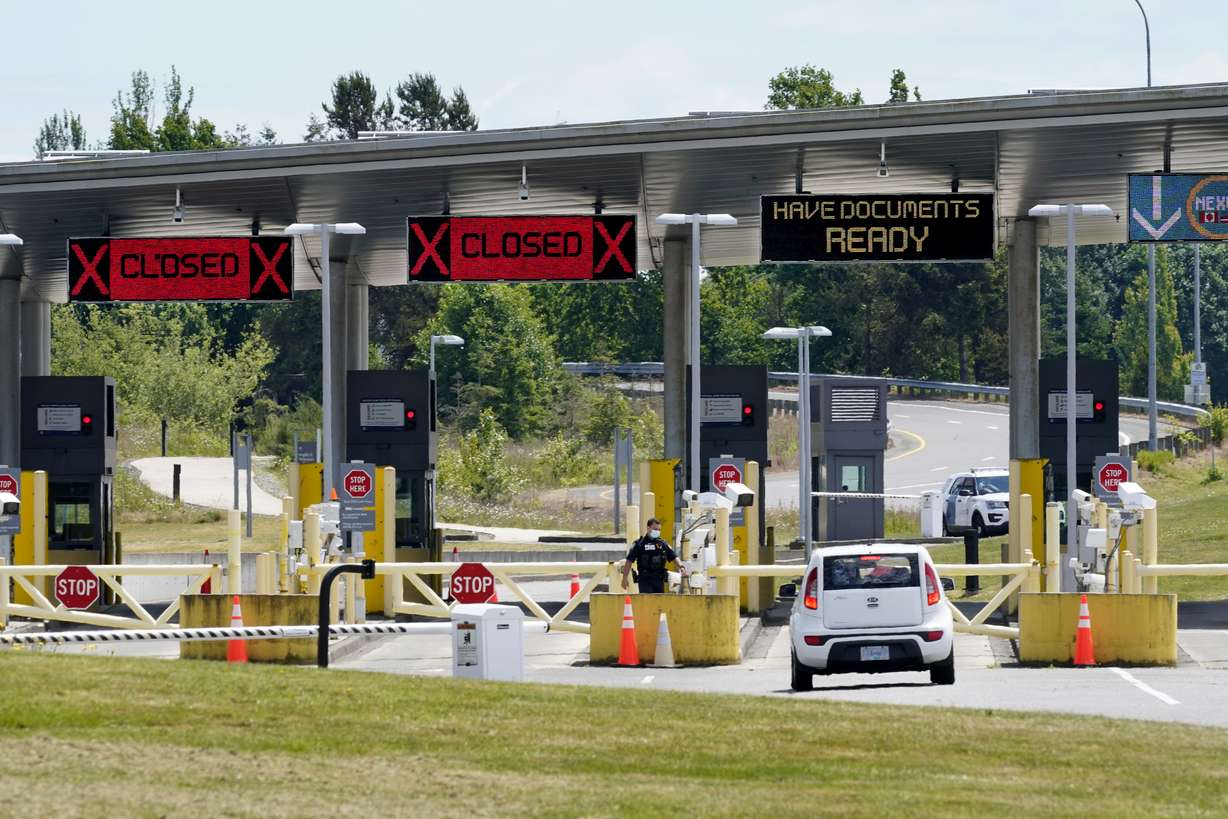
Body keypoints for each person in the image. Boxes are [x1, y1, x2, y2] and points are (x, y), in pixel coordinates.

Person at [621, 518, 678, 594]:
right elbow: (629, 561)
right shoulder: (639, 544)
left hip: (659, 580)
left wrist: (681, 567)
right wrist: (624, 578)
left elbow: (674, 557)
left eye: (659, 530)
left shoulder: (662, 544)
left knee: (659, 604)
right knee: (647, 603)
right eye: (655, 529)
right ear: (648, 528)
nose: (657, 531)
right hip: (645, 580)